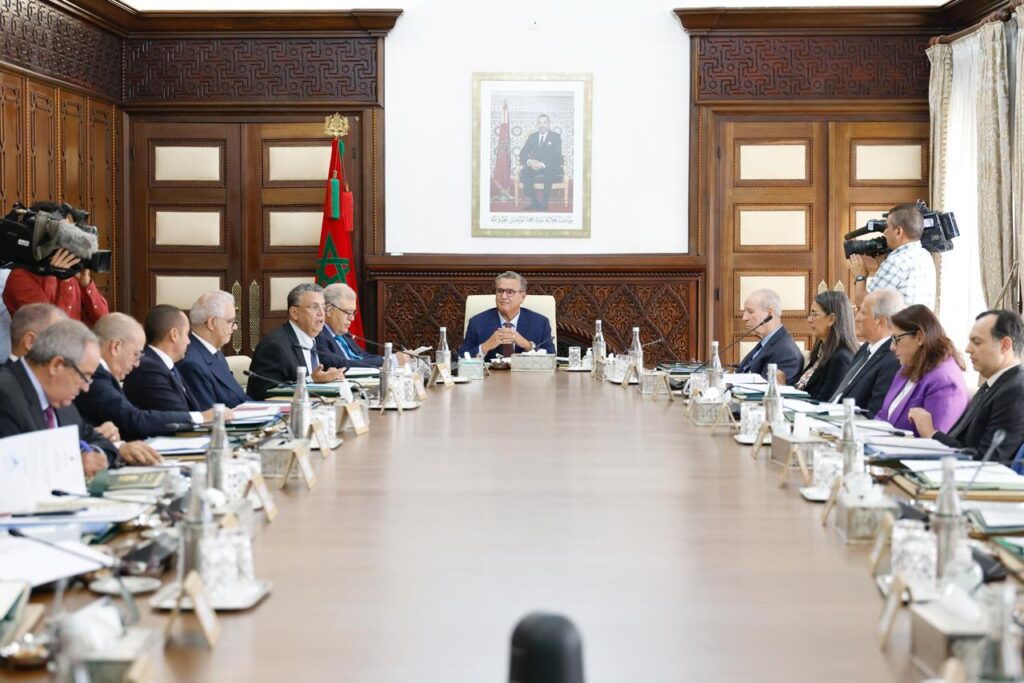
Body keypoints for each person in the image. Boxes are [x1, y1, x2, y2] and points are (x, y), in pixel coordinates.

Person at [0, 320, 115, 477]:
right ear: (56, 365)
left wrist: (95, 455)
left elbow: (97, 440)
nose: (85, 388)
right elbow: (11, 469)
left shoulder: (60, 399)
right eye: (84, 377)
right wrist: (72, 464)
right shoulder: (5, 395)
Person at [908, 310, 1024, 464]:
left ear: (1005, 345)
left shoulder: (1015, 392)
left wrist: (931, 434)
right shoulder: (995, 384)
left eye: (977, 342)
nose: (968, 349)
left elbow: (986, 461)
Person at [75, 312, 213, 442]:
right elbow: (133, 420)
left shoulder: (101, 374)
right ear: (116, 347)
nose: (137, 364)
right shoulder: (95, 376)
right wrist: (201, 417)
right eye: (136, 354)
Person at [2, 201, 110, 323]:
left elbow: (103, 321)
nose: (69, 244)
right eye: (62, 237)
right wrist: (64, 281)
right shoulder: (20, 278)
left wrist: (86, 285)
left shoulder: (72, 271)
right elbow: (54, 329)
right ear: (42, 240)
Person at [876, 304, 968, 436]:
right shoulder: (907, 367)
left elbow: (935, 442)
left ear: (919, 337)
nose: (892, 347)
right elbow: (884, 416)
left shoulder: (944, 381)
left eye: (896, 339)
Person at [123, 305, 224, 422]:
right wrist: (207, 417)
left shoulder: (167, 365)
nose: (189, 341)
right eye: (187, 334)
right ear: (174, 334)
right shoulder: (148, 369)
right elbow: (178, 416)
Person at [247, 283, 345, 401]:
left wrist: (326, 377)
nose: (321, 313)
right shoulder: (274, 346)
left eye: (323, 307)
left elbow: (314, 377)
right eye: (314, 307)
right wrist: (311, 380)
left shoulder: (311, 339)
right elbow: (265, 393)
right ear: (294, 313)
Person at [828, 288, 903, 415]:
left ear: (880, 322)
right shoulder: (866, 347)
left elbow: (873, 413)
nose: (856, 318)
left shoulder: (892, 360)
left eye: (862, 312)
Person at [849, 203, 936, 309]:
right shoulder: (925, 255)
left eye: (887, 227)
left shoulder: (896, 261)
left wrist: (860, 276)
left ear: (899, 231)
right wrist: (881, 262)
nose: (885, 232)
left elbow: (866, 307)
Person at [458, 271, 556, 361]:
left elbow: (551, 359)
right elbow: (461, 359)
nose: (503, 297)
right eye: (500, 291)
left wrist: (526, 345)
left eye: (510, 292)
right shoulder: (477, 322)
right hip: (490, 375)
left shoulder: (540, 323)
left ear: (522, 297)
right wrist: (486, 346)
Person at [177, 291, 249, 409]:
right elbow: (210, 414)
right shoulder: (192, 364)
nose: (235, 327)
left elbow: (238, 397)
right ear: (211, 322)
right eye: (230, 321)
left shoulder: (214, 353)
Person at [789, 291, 857, 402]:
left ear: (831, 319)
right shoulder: (822, 351)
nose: (809, 320)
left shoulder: (841, 359)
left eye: (814, 314)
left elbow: (824, 403)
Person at [735, 288, 804, 383]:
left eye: (750, 311)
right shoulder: (766, 343)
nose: (744, 318)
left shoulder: (786, 353)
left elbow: (767, 389)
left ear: (769, 313)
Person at [316, 283, 385, 369]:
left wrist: (388, 359)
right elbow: (337, 364)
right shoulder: (318, 334)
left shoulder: (344, 333)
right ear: (329, 310)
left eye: (353, 313)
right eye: (348, 312)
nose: (352, 318)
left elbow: (363, 355)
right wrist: (386, 361)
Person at [519, 114, 563, 211]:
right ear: (537, 124)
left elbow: (557, 156)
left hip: (550, 165)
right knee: (525, 172)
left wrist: (542, 164)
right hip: (535, 165)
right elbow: (523, 152)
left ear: (549, 124)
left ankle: (544, 203)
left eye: (544, 123)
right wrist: (530, 161)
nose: (542, 125)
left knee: (549, 171)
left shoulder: (555, 137)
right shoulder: (533, 137)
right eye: (539, 123)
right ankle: (534, 201)